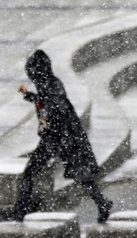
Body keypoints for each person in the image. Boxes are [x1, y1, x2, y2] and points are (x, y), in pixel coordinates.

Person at [9, 49, 113, 223]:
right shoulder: (49, 83)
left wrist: (47, 124)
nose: (31, 76)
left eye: (31, 72)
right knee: (80, 174)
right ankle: (101, 202)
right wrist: (29, 96)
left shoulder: (50, 84)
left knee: (30, 172)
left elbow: (56, 108)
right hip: (62, 137)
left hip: (58, 137)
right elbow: (47, 102)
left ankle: (21, 209)